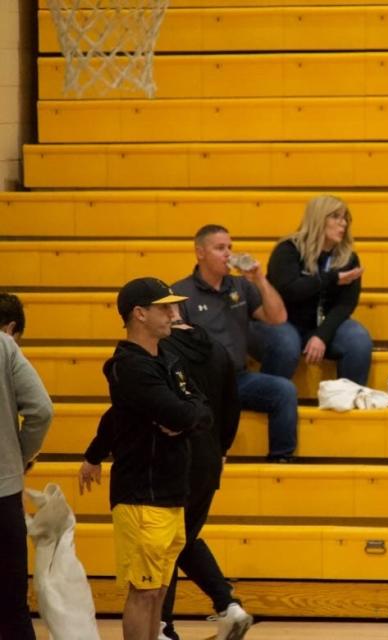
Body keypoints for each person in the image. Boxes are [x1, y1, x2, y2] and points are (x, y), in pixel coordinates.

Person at [78, 277, 212, 640]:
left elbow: (200, 408)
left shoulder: (168, 357)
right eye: (164, 307)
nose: (173, 314)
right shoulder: (130, 367)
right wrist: (184, 416)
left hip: (171, 494)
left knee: (160, 593)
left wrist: (183, 418)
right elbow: (184, 413)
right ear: (139, 314)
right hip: (141, 496)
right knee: (144, 591)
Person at [159, 313, 252, 640]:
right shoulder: (217, 348)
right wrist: (221, 449)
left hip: (174, 456)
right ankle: (228, 606)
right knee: (183, 538)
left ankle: (163, 628)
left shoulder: (160, 348)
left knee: (167, 543)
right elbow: (233, 406)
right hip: (210, 457)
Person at [173, 224, 301, 462]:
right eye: (220, 248)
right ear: (200, 252)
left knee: (284, 390)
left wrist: (260, 280)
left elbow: (278, 318)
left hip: (238, 378)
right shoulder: (181, 292)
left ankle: (281, 460)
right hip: (201, 383)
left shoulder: (240, 286)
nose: (228, 254)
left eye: (230, 248)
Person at [267, 195, 373, 385]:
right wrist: (331, 278)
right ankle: (273, 398)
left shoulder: (348, 258)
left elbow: (346, 304)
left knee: (358, 339)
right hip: (285, 321)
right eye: (336, 217)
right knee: (286, 344)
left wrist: (322, 335)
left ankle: (350, 400)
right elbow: (290, 290)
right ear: (318, 218)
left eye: (345, 218)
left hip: (322, 325)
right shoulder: (288, 249)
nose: (343, 224)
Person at [0, 293, 53, 640]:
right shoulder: (5, 346)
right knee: (11, 604)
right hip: (2, 489)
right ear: (13, 328)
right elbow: (41, 410)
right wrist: (18, 456)